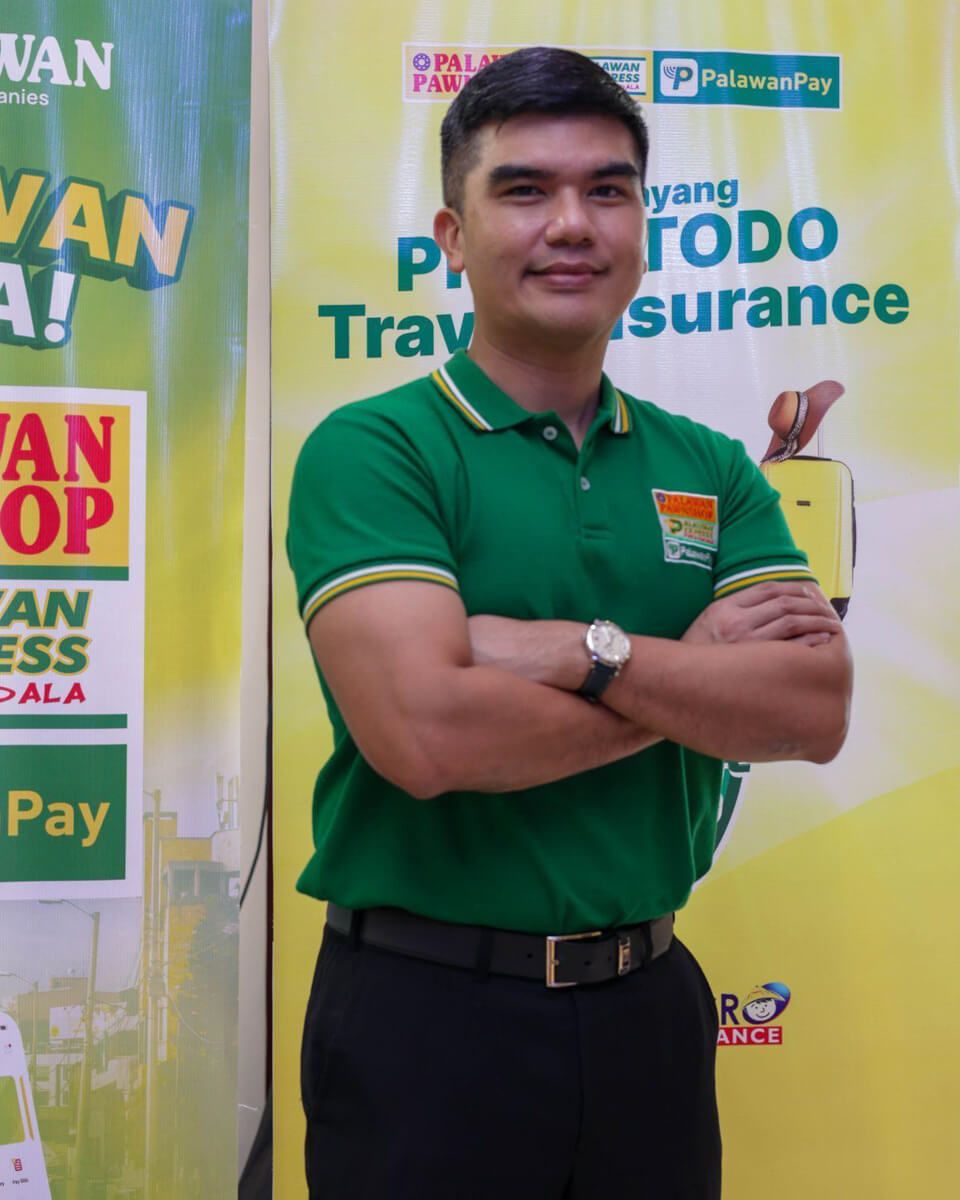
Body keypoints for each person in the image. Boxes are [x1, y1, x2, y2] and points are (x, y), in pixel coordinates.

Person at [287, 45, 852, 1199]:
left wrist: (571, 651)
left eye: (607, 190)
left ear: (643, 226)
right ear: (453, 237)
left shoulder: (709, 468)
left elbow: (811, 709)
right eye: (524, 190)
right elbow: (428, 736)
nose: (571, 224)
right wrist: (693, 679)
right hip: (426, 1019)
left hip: (653, 1010)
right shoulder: (376, 449)